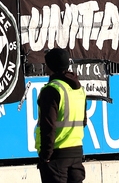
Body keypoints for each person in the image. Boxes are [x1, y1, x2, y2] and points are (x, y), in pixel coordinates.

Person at [35, 48, 86, 183]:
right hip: (76, 153)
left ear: (50, 67)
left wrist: (45, 155)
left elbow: (48, 126)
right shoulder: (78, 89)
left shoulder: (52, 90)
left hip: (56, 156)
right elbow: (84, 121)